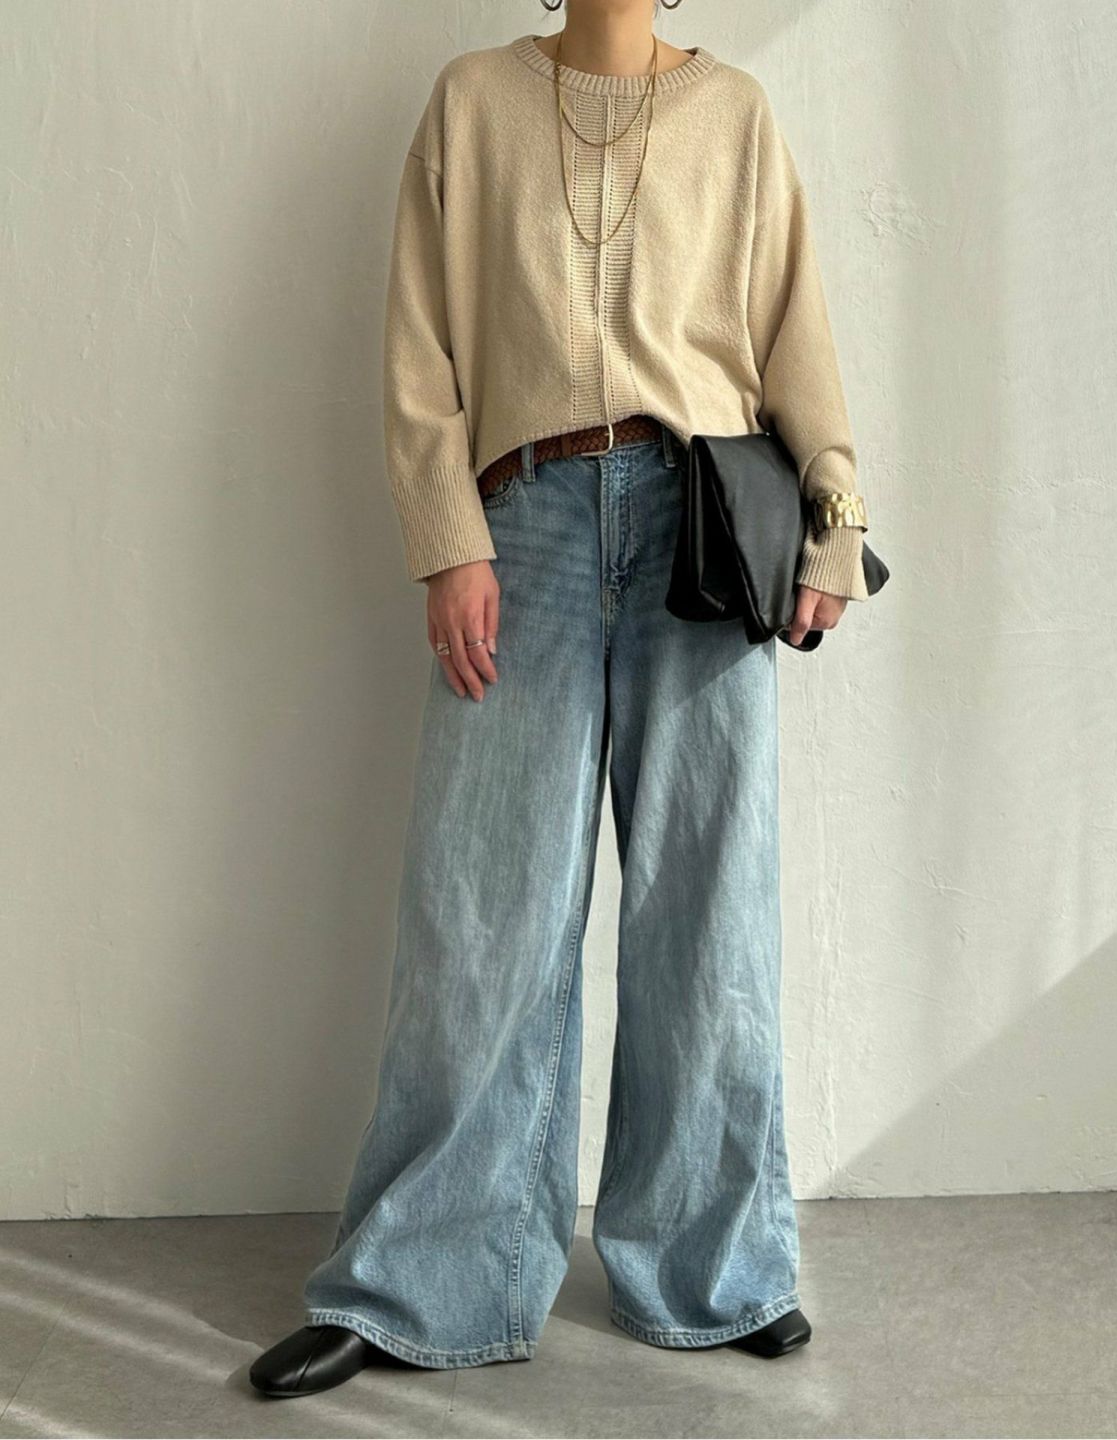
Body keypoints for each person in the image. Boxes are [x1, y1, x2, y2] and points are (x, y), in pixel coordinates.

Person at [250, 0, 870, 1399]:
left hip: (703, 527)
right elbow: (420, 346)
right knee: (480, 913)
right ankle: (419, 1281)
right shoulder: (471, 102)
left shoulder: (734, 114)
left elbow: (797, 332)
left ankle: (718, 1268)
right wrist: (447, 540)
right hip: (519, 524)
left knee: (708, 905)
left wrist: (834, 519)